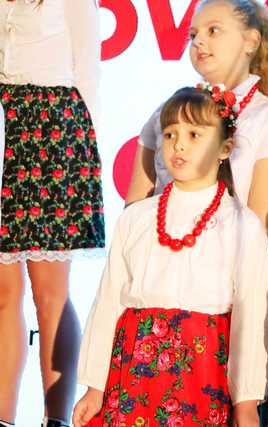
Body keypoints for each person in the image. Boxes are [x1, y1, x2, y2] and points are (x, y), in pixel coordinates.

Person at [72, 86, 268, 427]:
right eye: (170, 134)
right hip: (134, 369)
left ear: (225, 148)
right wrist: (95, 385)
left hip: (204, 372)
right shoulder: (137, 218)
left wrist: (246, 399)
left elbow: (252, 316)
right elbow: (107, 302)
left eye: (194, 134)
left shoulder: (242, 224)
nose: (179, 145)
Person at [0, 1, 104, 425]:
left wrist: (82, 160)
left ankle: (56, 418)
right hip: (2, 128)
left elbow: (88, 75)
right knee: (4, 293)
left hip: (52, 131)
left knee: (50, 292)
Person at [126, 0, 268, 240]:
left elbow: (261, 230)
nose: (198, 41)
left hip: (232, 266)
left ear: (251, 41)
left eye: (213, 30)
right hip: (159, 261)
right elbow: (133, 213)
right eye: (193, 34)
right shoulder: (163, 113)